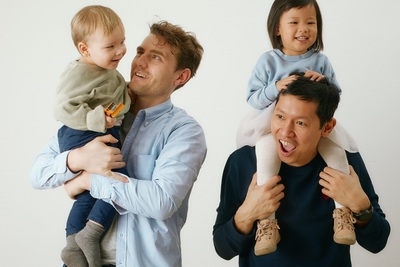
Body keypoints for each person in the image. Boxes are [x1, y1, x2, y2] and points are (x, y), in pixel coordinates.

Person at [29, 20, 206, 267]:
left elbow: (161, 202)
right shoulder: (99, 109)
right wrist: (77, 159)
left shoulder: (184, 132)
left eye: (155, 57)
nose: (139, 62)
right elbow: (38, 174)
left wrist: (86, 181)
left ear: (181, 76)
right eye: (140, 52)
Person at [213, 75, 390, 266]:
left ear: (327, 127)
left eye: (300, 123)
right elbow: (223, 248)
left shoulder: (344, 163)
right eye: (280, 117)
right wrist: (247, 213)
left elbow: (377, 242)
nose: (285, 131)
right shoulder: (243, 162)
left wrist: (360, 205)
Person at [236, 0, 358, 255]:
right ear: (277, 28)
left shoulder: (320, 61)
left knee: (338, 153)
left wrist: (324, 83)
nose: (303, 29)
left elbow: (335, 94)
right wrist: (275, 87)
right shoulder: (269, 61)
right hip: (272, 127)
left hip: (311, 128)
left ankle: (343, 214)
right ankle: (267, 223)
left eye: (310, 22)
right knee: (265, 159)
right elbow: (252, 97)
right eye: (294, 22)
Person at [53, 5, 131, 267]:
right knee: (117, 178)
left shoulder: (108, 71)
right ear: (85, 49)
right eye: (111, 46)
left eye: (122, 42)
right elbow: (62, 108)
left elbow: (116, 96)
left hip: (96, 131)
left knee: (91, 191)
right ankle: (92, 232)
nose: (120, 50)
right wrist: (98, 119)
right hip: (80, 133)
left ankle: (74, 242)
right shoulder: (79, 73)